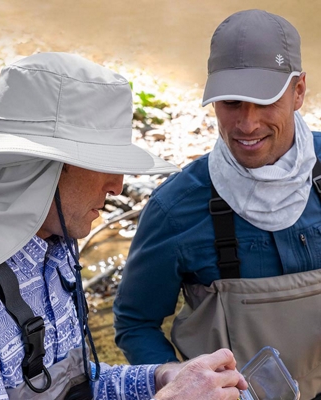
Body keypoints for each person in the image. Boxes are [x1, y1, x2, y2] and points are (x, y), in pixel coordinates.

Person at [0, 53, 246, 399]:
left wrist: (161, 378)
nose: (117, 186)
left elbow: (69, 383)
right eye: (104, 164)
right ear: (43, 168)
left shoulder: (50, 243)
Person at [113, 9, 321, 400]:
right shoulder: (174, 210)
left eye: (265, 101)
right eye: (231, 103)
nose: (246, 123)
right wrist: (180, 382)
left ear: (299, 91)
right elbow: (136, 323)